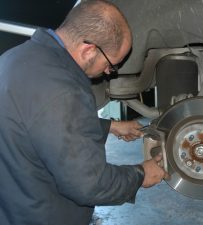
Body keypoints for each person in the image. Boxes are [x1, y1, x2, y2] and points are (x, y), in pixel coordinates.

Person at [0, 0, 169, 225]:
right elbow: (90, 185)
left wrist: (111, 126)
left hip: (15, 206)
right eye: (111, 65)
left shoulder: (15, 58)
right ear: (88, 50)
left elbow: (38, 125)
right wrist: (140, 174)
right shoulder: (64, 90)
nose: (109, 73)